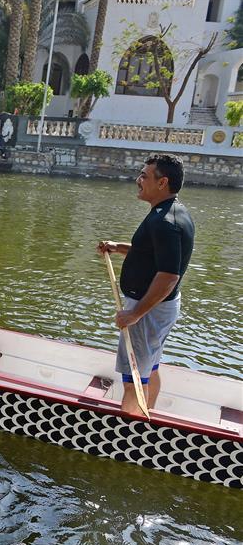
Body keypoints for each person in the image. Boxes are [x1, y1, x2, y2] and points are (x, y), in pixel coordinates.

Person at [97, 154, 194, 416]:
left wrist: (134, 314)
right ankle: (146, 415)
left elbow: (168, 276)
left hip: (148, 310)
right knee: (149, 366)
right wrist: (118, 248)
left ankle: (130, 432)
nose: (138, 180)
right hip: (158, 307)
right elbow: (149, 254)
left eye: (144, 176)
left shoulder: (165, 223)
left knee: (134, 376)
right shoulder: (172, 212)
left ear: (162, 182)